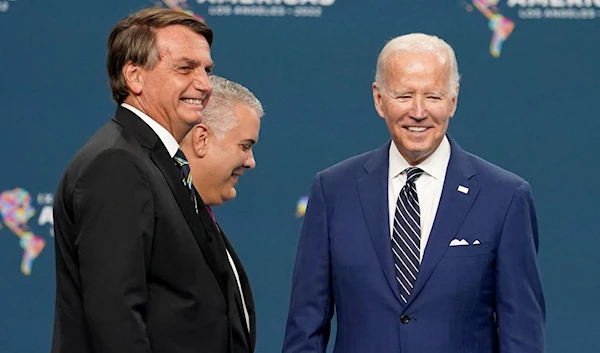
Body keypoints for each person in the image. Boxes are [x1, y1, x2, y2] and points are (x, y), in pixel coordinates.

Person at [282, 33, 545, 353]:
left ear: (454, 100)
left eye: (433, 96)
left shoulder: (505, 197)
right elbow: (306, 326)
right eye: (404, 95)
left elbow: (522, 334)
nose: (418, 112)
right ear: (379, 99)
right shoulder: (332, 191)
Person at [52, 8, 252, 353]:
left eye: (207, 69)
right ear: (134, 76)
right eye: (185, 68)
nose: (204, 84)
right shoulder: (116, 163)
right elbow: (115, 318)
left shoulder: (157, 161)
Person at [179, 75, 263, 350]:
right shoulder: (167, 219)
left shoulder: (199, 218)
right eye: (245, 146)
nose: (250, 162)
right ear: (202, 139)